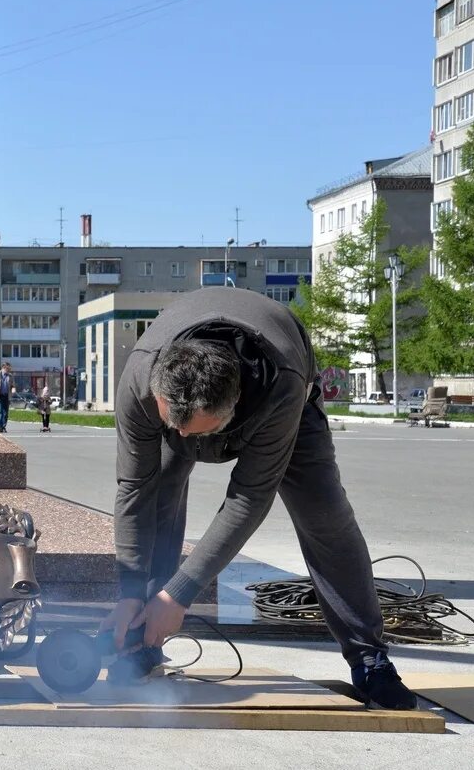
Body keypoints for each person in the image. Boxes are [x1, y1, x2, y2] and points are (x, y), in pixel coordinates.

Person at [100, 287, 415, 710]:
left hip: (286, 386)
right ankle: (142, 639)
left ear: (232, 408)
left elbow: (248, 498)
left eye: (196, 430)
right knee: (158, 494)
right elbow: (134, 488)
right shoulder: (142, 381)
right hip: (183, 390)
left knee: (323, 513)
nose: (183, 439)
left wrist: (180, 593)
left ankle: (369, 658)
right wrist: (129, 593)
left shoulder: (279, 389)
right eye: (174, 426)